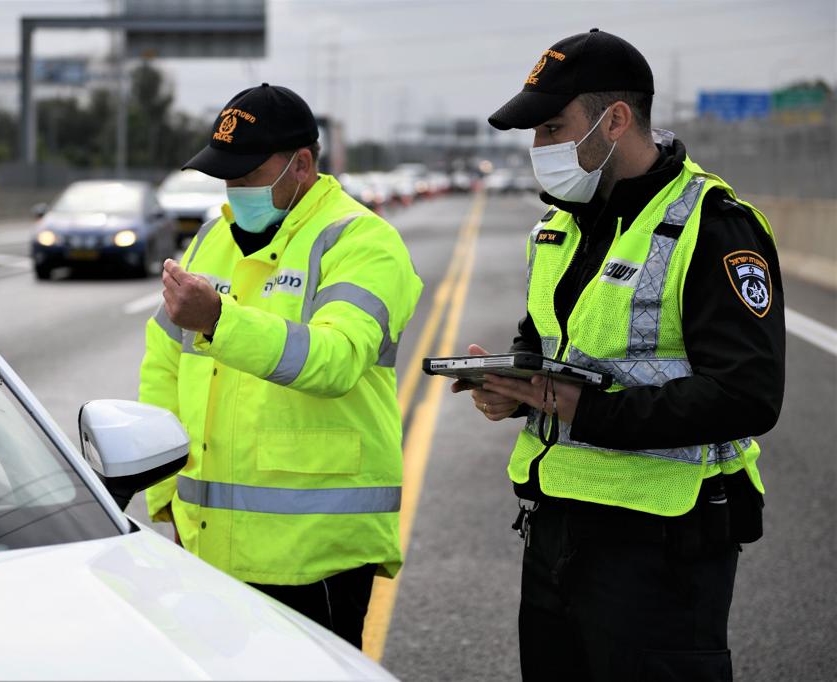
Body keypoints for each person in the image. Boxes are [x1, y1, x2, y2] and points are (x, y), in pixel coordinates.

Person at [457, 29, 785, 680]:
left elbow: (749, 393)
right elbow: (546, 340)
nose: (538, 149)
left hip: (663, 546)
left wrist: (588, 409)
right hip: (555, 530)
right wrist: (512, 383)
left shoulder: (713, 225)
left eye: (553, 128)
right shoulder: (559, 224)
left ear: (615, 120)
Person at [139, 83, 422, 649]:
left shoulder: (362, 241)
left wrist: (220, 320)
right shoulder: (213, 237)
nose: (234, 186)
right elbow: (164, 363)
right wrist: (164, 494)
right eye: (225, 173)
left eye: (246, 171)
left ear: (302, 164)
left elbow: (335, 359)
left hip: (314, 553)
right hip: (206, 543)